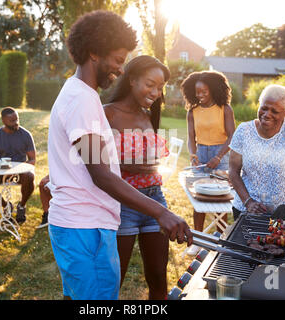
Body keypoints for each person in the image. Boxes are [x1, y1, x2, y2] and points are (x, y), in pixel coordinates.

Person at [47, 10, 192, 300]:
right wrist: (160, 211)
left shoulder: (80, 94)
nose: (121, 69)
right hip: (84, 226)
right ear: (94, 53)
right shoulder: (82, 100)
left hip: (84, 225)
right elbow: (100, 174)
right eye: (117, 59)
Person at [104, 55, 172, 299]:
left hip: (155, 198)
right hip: (123, 204)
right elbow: (94, 165)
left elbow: (151, 156)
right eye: (150, 84)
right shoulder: (107, 114)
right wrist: (128, 165)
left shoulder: (147, 115)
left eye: (160, 87)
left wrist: (156, 162)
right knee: (113, 280)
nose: (156, 92)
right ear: (132, 80)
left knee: (157, 276)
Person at [229, 84, 285, 220]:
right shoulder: (244, 131)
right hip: (247, 211)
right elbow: (233, 171)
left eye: (275, 111)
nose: (267, 115)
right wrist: (248, 202)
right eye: (264, 108)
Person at [180, 71, 235, 240]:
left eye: (204, 91)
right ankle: (197, 237)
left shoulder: (224, 109)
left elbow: (232, 136)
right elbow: (191, 138)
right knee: (199, 198)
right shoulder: (192, 112)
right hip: (201, 154)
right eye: (197, 92)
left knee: (220, 199)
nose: (200, 95)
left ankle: (220, 237)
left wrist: (218, 156)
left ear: (212, 89)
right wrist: (193, 154)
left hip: (222, 155)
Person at [0, 107, 36, 224]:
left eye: (17, 119)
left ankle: (21, 206)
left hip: (20, 170)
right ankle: (5, 206)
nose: (16, 123)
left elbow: (32, 159)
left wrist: (22, 168)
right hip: (1, 171)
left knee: (30, 176)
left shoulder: (25, 135)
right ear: (3, 121)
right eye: (12, 121)